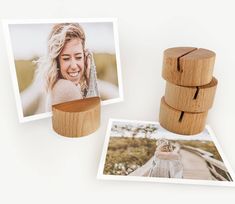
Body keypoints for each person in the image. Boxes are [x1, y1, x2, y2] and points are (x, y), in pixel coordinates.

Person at [36, 23, 99, 110]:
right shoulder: (67, 89)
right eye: (66, 58)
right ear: (57, 61)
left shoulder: (58, 84)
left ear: (85, 58)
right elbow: (93, 119)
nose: (73, 66)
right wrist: (91, 82)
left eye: (78, 57)